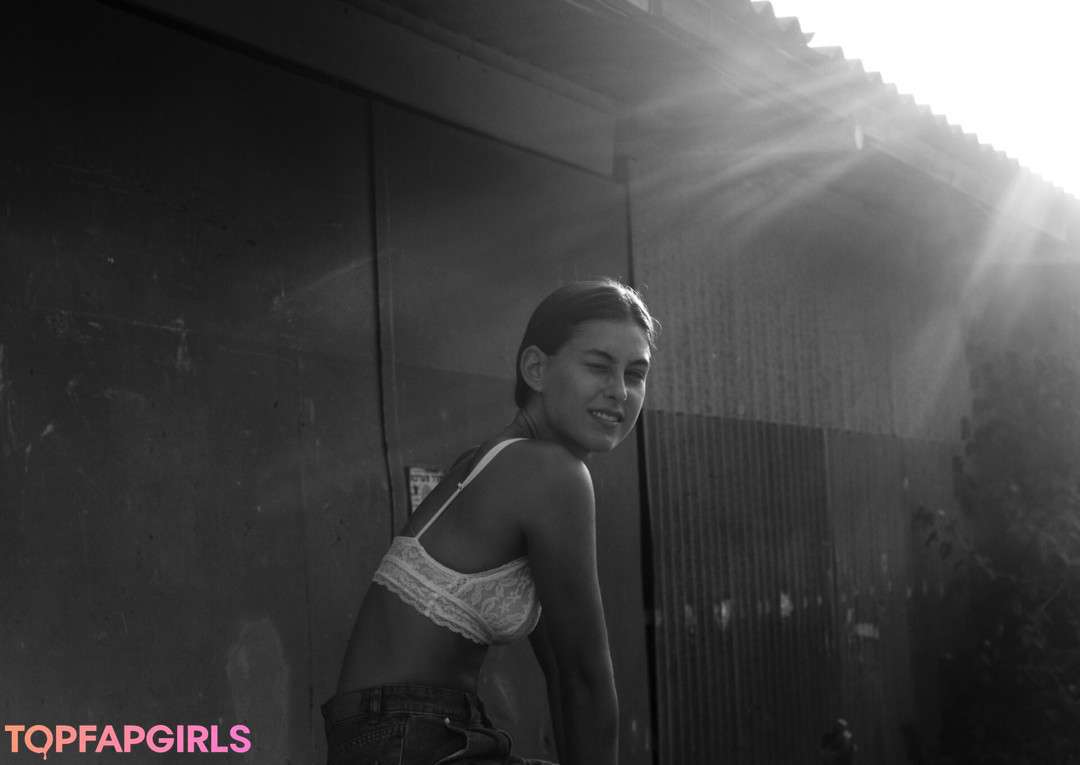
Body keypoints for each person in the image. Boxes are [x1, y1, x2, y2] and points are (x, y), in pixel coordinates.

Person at [323, 278, 659, 765]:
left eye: (635, 374)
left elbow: (563, 676)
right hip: (409, 738)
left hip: (386, 737)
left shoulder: (495, 459)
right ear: (536, 369)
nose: (619, 392)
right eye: (598, 366)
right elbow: (585, 678)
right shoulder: (551, 473)